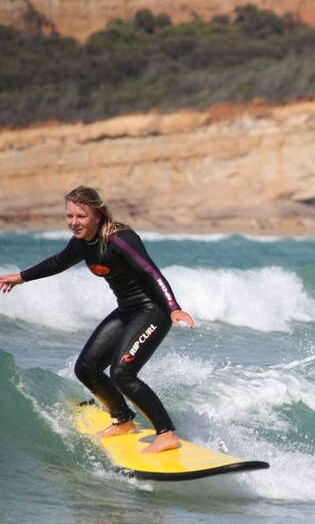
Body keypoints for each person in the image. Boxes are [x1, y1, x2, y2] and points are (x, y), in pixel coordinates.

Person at [0, 186, 195, 454]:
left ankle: (166, 433)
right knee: (86, 369)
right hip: (127, 311)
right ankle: (123, 420)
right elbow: (58, 262)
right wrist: (21, 277)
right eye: (69, 216)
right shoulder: (82, 243)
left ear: (97, 216)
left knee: (122, 373)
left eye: (80, 216)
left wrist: (173, 307)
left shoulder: (120, 239)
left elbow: (151, 271)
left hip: (152, 311)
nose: (73, 223)